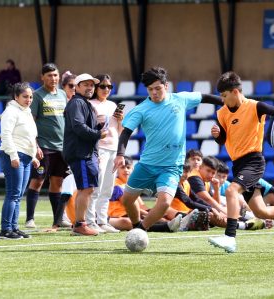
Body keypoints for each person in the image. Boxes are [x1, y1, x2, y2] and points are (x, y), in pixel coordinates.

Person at [208, 71, 274, 253]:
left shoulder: (255, 106)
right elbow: (223, 139)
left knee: (232, 191)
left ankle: (230, 237)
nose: (223, 100)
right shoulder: (222, 113)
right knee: (261, 212)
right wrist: (217, 136)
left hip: (254, 161)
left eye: (224, 96)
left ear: (235, 92)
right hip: (239, 164)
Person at [112, 66, 223, 232]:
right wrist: (120, 154)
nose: (154, 92)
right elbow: (126, 132)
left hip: (171, 166)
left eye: (158, 88)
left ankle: (140, 231)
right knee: (127, 200)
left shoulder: (180, 99)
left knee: (164, 203)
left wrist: (227, 102)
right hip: (147, 164)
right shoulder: (141, 109)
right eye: (150, 89)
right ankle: (136, 225)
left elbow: (205, 97)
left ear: (166, 86)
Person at [25, 63, 69, 229]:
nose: (53, 78)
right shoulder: (37, 95)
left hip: (61, 147)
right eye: (49, 75)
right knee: (37, 181)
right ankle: (30, 219)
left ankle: (57, 220)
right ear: (42, 77)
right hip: (44, 146)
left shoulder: (63, 95)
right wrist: (35, 145)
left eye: (55, 75)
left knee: (57, 182)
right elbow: (31, 122)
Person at [63, 73, 107, 236]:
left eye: (92, 85)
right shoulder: (77, 103)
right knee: (86, 188)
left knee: (87, 188)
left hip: (86, 153)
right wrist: (97, 134)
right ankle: (80, 224)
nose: (90, 88)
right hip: (81, 153)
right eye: (86, 84)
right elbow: (78, 126)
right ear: (78, 87)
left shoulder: (84, 103)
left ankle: (81, 223)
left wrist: (98, 127)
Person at [0, 82, 40, 239]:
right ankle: (5, 230)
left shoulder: (26, 111)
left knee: (18, 194)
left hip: (26, 157)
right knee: (13, 194)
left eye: (30, 97)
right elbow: (6, 135)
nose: (29, 99)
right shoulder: (11, 111)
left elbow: (28, 137)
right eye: (25, 96)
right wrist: (14, 156)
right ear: (16, 97)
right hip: (14, 156)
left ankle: (14, 228)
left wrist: (34, 156)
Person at [86, 74, 123, 234]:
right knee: (96, 186)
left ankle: (102, 221)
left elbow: (119, 131)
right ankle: (90, 221)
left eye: (109, 86)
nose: (106, 89)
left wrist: (120, 120)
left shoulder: (113, 105)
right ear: (96, 88)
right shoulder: (90, 104)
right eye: (103, 86)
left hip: (113, 149)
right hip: (98, 148)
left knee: (107, 187)